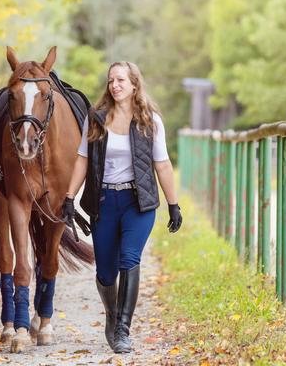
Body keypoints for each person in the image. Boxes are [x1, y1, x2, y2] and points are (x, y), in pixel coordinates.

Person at [62, 61, 182, 354]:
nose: (114, 85)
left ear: (134, 84)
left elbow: (162, 164)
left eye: (120, 80)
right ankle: (112, 315)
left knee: (129, 259)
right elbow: (82, 159)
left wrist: (173, 204)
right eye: (111, 80)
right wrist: (69, 197)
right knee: (105, 272)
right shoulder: (96, 118)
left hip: (137, 202)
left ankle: (122, 330)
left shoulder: (149, 120)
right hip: (104, 202)